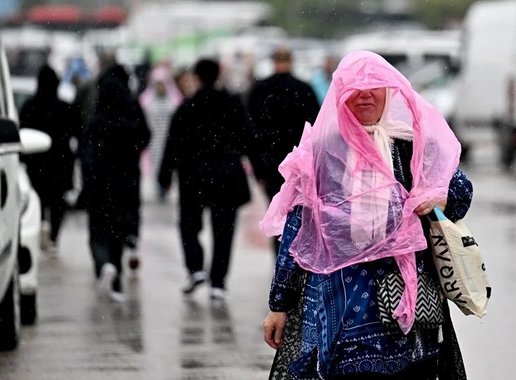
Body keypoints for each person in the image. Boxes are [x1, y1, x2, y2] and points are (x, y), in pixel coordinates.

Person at [261, 51, 472, 379]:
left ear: (390, 90)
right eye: (354, 88)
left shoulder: (410, 144)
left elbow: (459, 195)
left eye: (374, 86)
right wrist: (279, 303)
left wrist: (439, 198)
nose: (364, 95)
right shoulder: (322, 152)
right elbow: (297, 229)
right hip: (341, 306)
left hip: (407, 305)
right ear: (340, 95)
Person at [159, 59, 254, 300]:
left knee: (189, 225)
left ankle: (195, 268)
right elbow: (248, 138)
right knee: (224, 230)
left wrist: (165, 174)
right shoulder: (232, 104)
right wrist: (259, 168)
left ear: (197, 77)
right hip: (226, 174)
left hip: (194, 176)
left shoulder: (187, 107)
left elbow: (173, 143)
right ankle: (218, 282)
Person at [81, 76, 150, 302]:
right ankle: (117, 281)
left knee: (97, 231)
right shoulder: (129, 125)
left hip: (99, 185)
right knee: (116, 232)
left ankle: (103, 265)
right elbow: (143, 139)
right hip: (124, 186)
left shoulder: (95, 123)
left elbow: (86, 156)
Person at [247, 47, 320, 256]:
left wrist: (257, 166)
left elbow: (252, 131)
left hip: (270, 162)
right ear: (291, 60)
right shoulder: (304, 89)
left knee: (277, 210)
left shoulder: (260, 90)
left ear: (272, 61)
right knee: (299, 212)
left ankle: (279, 255)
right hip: (300, 163)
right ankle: (296, 257)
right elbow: (315, 128)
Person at [20, 64, 80, 254]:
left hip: (36, 162)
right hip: (60, 163)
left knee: (38, 198)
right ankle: (53, 237)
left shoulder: (30, 106)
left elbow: (21, 132)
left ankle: (40, 231)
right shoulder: (65, 108)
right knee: (57, 202)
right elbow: (78, 132)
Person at [139, 65, 183, 200]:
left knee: (168, 164)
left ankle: (165, 186)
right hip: (154, 141)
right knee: (155, 165)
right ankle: (160, 187)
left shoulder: (175, 100)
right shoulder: (146, 100)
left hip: (169, 139)